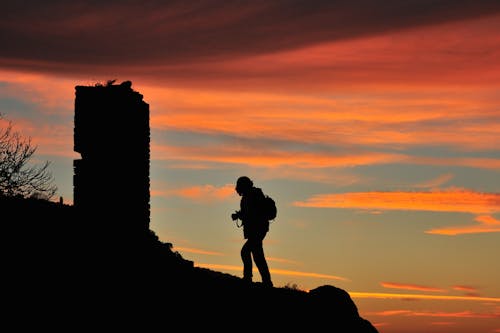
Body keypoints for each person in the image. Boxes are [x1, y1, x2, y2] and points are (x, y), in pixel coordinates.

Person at [231, 176, 273, 287]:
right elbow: (248, 213)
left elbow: (253, 213)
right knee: (258, 256)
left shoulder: (253, 195)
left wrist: (240, 215)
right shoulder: (247, 197)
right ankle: (267, 282)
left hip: (258, 229)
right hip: (256, 230)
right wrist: (239, 215)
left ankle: (248, 277)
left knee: (245, 252)